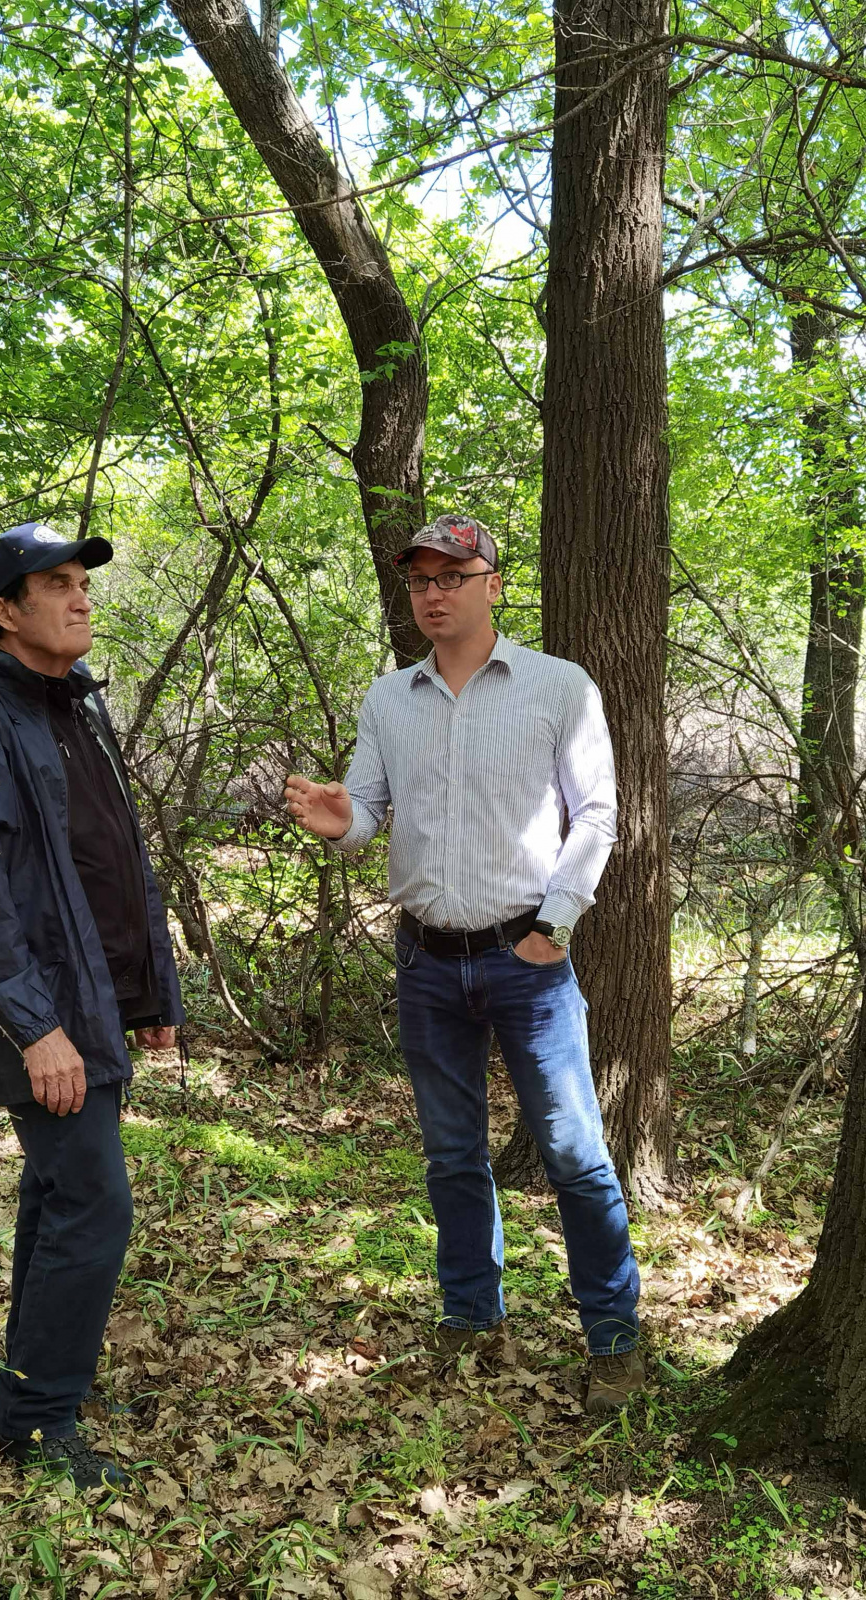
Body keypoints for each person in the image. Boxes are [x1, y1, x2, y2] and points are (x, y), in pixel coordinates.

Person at [283, 513, 647, 1413]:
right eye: (418, 582)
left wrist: (554, 925)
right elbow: (365, 806)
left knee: (573, 1153)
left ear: (491, 582)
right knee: (451, 1154)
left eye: (451, 576)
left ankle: (612, 1337)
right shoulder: (388, 699)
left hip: (526, 959)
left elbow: (596, 813)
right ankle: (469, 1314)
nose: (433, 594)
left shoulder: (557, 687)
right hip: (426, 963)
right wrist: (343, 821)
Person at [0, 522, 183, 1488]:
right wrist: (38, 1028)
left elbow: (113, 860)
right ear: (3, 611)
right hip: (43, 1019)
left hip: (95, 1004)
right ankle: (35, 1424)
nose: (79, 598)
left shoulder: (76, 710)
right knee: (95, 1208)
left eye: (82, 582)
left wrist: (152, 991)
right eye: (54, 584)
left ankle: (36, 1384)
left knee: (57, 1201)